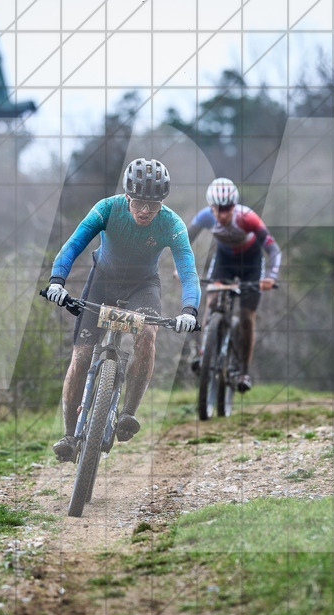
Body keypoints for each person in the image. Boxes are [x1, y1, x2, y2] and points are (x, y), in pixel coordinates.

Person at [45, 158, 201, 463]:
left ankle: (128, 414)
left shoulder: (172, 224)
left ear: (162, 204)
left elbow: (188, 269)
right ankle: (68, 435)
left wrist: (189, 310)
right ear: (128, 197)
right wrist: (57, 281)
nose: (145, 211)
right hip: (102, 281)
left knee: (147, 335)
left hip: (143, 286)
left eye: (153, 205)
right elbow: (74, 244)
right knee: (80, 356)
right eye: (140, 202)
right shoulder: (107, 208)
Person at [186, 177, 281, 393]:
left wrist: (271, 276)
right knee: (210, 301)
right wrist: (180, 266)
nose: (222, 214)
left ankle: (244, 371)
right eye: (217, 209)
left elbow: (274, 250)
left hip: (251, 263)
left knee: (247, 317)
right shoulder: (204, 217)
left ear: (234, 206)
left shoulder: (248, 218)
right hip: (225, 262)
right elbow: (184, 241)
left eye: (227, 209)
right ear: (211, 207)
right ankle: (204, 353)